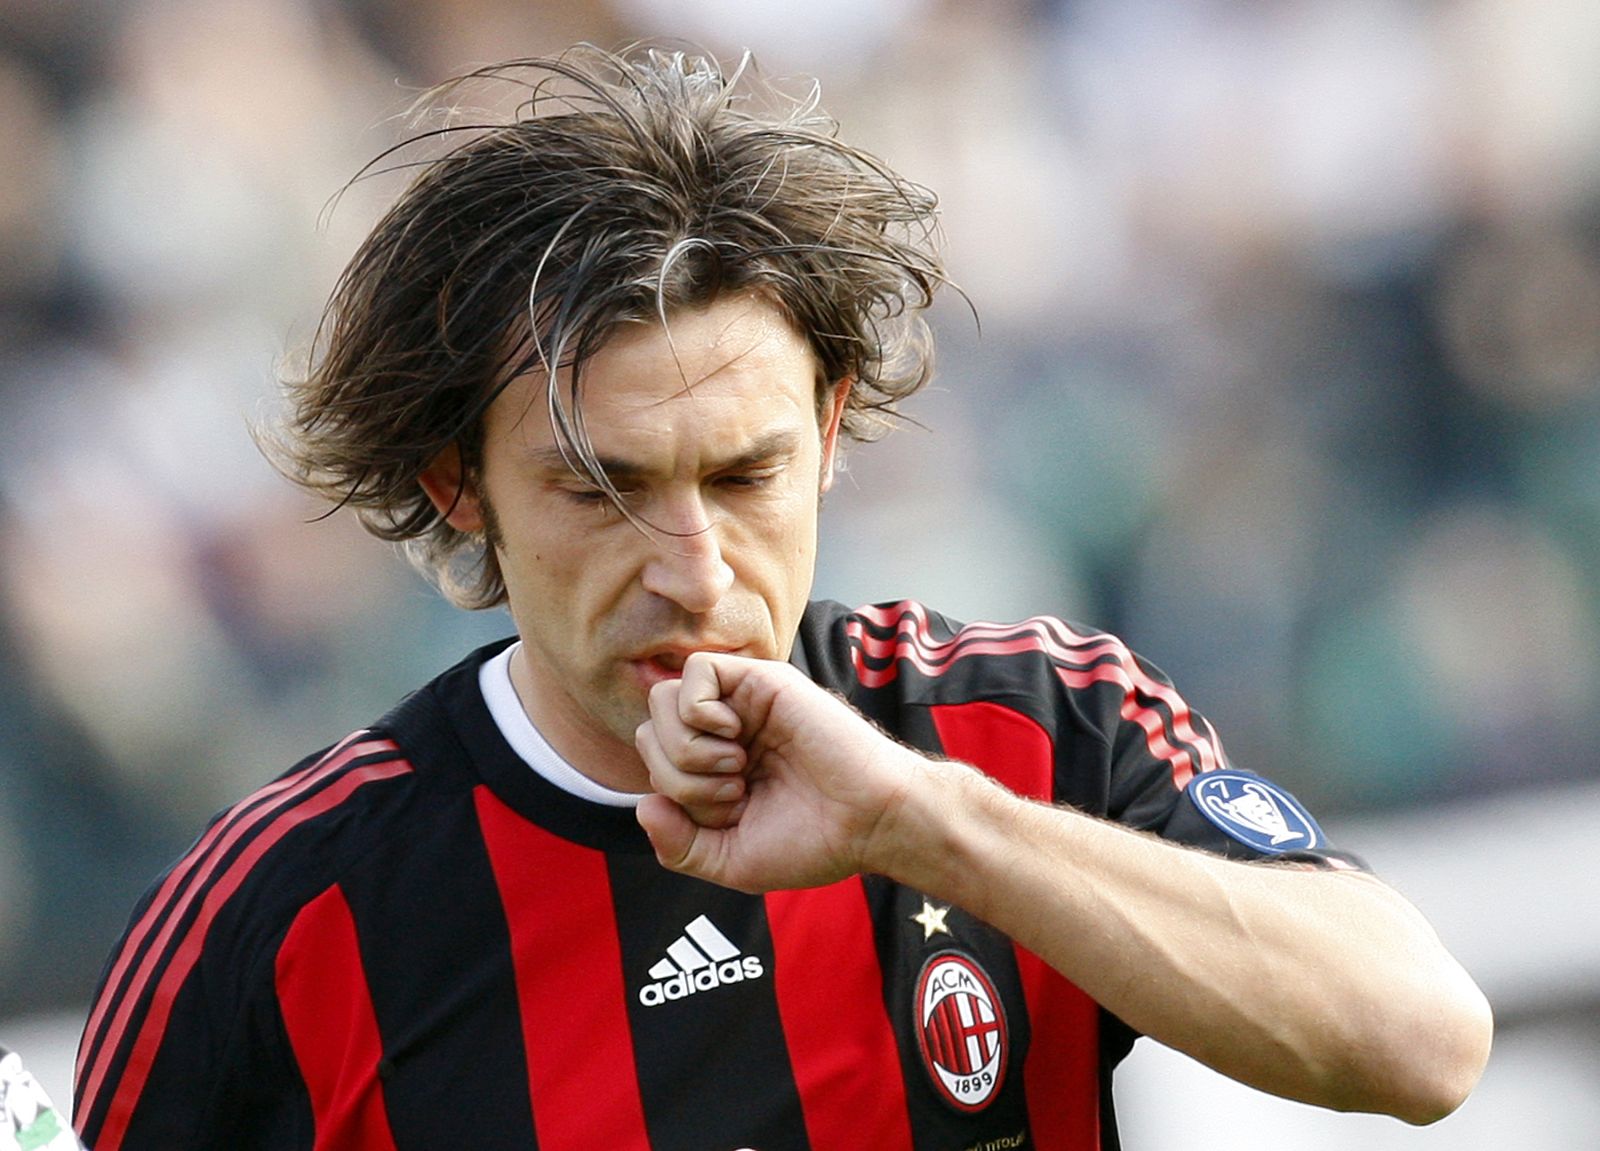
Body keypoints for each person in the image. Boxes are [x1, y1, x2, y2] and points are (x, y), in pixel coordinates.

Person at [73, 44, 1492, 1151]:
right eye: (601, 488)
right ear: (458, 487)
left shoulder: (1022, 731)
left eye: (746, 476)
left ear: (826, 432)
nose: (694, 569)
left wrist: (922, 827)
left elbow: (1420, 1043)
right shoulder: (282, 913)